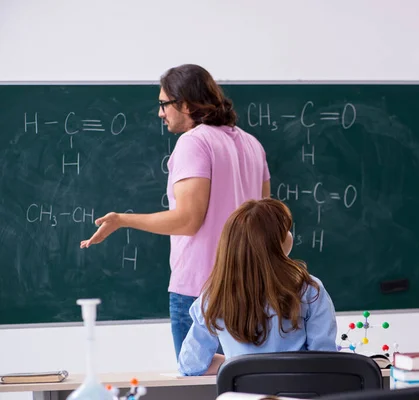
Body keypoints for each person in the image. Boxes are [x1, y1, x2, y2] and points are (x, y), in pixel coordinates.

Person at [80, 64, 271, 359]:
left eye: (163, 104)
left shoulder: (194, 142)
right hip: (251, 289)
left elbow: (188, 220)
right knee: (246, 383)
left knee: (197, 382)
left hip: (201, 291)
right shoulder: (252, 145)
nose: (160, 113)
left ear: (184, 103)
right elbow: (269, 223)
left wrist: (122, 220)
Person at [178, 198, 338, 376]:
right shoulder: (308, 290)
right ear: (275, 243)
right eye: (286, 230)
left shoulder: (214, 297)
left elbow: (190, 365)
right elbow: (325, 361)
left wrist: (236, 363)